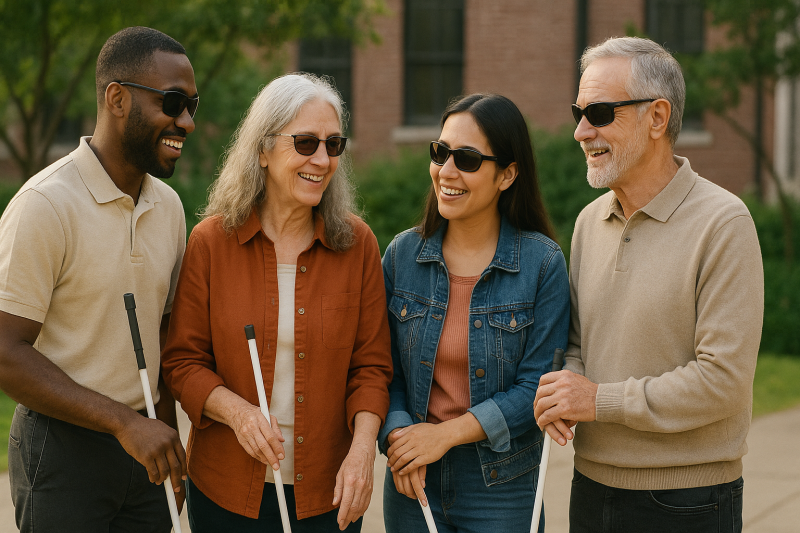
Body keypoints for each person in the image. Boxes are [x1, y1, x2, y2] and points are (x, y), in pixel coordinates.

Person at [533, 37, 764, 533]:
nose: (580, 131)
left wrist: (596, 401)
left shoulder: (724, 223)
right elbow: (579, 345)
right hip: (591, 490)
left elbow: (722, 383)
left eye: (598, 112)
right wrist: (562, 392)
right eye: (579, 111)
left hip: (689, 501)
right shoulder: (588, 222)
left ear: (657, 118)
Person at [161, 73, 393, 533]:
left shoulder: (359, 244)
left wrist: (363, 452)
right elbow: (183, 362)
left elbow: (372, 369)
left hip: (329, 493)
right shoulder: (210, 242)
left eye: (333, 144)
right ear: (263, 151)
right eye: (305, 143)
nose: (322, 159)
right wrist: (239, 413)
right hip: (226, 491)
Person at [0, 26, 197, 532]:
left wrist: (165, 434)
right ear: (116, 98)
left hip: (148, 446)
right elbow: (4, 351)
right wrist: (122, 422)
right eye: (173, 102)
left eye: (193, 105)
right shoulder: (45, 205)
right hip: (61, 450)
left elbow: (163, 333)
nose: (187, 122)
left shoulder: (169, 208)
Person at [379, 93, 570, 533]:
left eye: (466, 159)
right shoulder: (401, 256)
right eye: (440, 152)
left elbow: (536, 388)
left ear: (507, 174)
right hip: (415, 478)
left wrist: (442, 436)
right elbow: (383, 373)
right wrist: (398, 440)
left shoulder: (542, 264)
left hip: (504, 483)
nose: (446, 171)